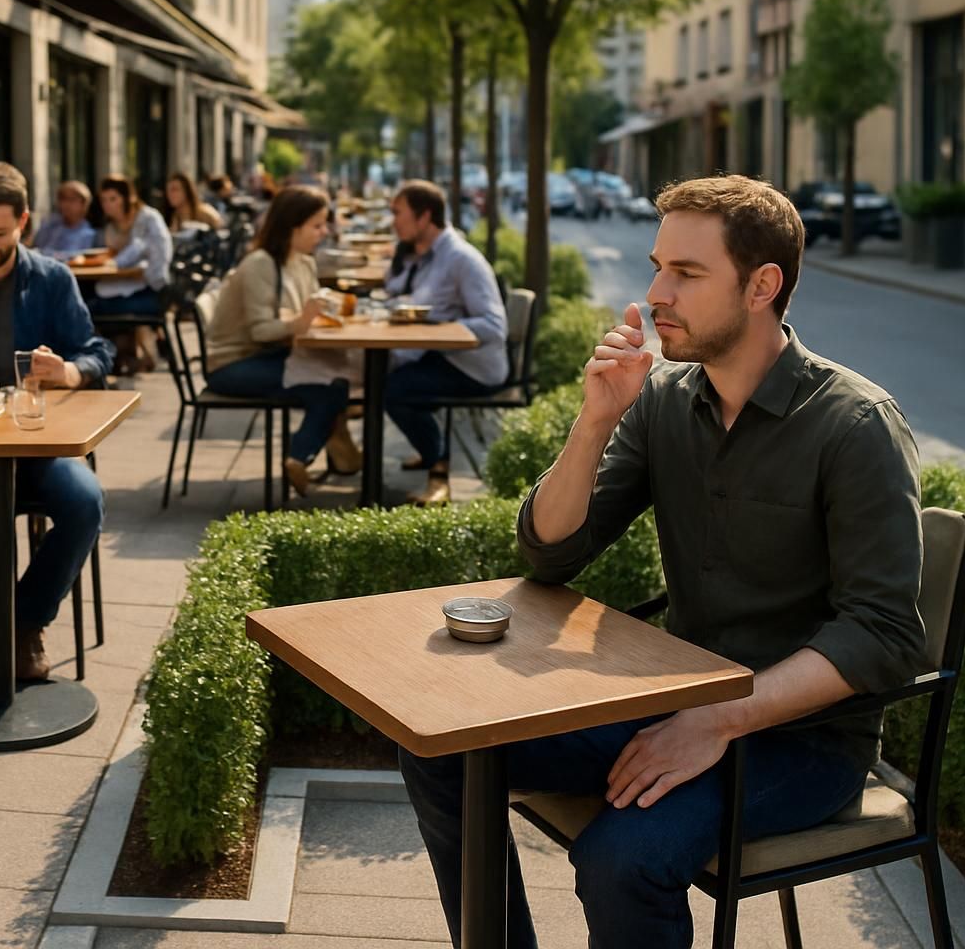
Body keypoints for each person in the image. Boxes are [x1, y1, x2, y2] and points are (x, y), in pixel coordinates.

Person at [399, 175, 925, 949]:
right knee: (442, 749)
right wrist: (594, 421)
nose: (654, 293)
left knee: (620, 859)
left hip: (804, 740)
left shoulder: (854, 426)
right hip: (681, 697)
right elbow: (549, 553)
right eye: (657, 266)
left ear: (762, 285)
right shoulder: (665, 400)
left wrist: (718, 720)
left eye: (685, 272)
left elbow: (883, 635)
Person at [0, 163, 114, 680]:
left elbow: (98, 352)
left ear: (23, 223)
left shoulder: (52, 279)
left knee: (85, 503)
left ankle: (23, 623)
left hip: (39, 442)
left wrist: (69, 370)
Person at [204, 185, 362, 494]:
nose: (324, 231)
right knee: (332, 384)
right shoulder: (260, 263)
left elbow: (306, 314)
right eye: (317, 225)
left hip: (273, 355)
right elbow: (260, 331)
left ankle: (304, 458)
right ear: (293, 225)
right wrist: (303, 321)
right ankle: (315, 455)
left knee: (339, 380)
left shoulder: (303, 261)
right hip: (234, 363)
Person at [382, 180, 509, 505]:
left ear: (424, 217)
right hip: (447, 357)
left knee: (392, 389)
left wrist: (439, 327)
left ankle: (437, 469)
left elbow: (494, 326)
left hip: (476, 368)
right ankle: (429, 453)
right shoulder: (431, 255)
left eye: (398, 213)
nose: (393, 221)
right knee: (380, 375)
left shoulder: (461, 259)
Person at [94, 173, 173, 373]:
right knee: (93, 300)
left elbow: (151, 260)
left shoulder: (147, 219)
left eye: (113, 199)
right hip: (128, 286)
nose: (108, 205)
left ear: (128, 197)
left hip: (153, 292)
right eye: (104, 200)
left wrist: (119, 265)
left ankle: (108, 360)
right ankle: (120, 357)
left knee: (93, 307)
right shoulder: (110, 226)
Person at [29, 180, 100, 258]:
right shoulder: (49, 225)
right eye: (63, 199)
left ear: (84, 204)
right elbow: (33, 247)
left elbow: (74, 257)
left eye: (72, 199)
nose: (66, 204)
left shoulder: (89, 233)